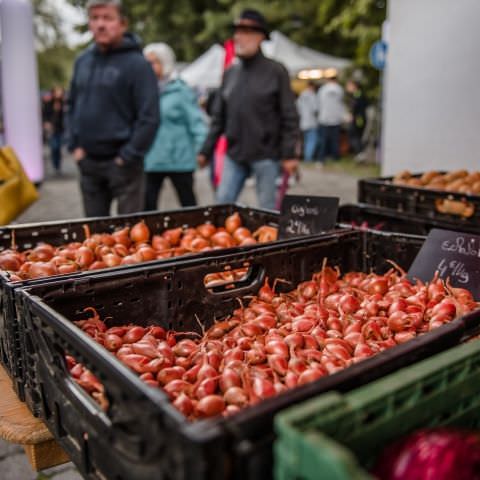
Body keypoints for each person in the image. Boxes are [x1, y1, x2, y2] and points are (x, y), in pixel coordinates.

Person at [197, 9, 299, 210]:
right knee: (222, 206)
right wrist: (205, 151)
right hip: (234, 154)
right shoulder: (230, 73)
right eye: (237, 31)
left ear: (260, 36)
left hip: (267, 155)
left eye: (245, 32)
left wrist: (289, 154)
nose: (238, 37)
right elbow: (219, 117)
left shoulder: (276, 71)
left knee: (269, 211)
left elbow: (289, 115)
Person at [67, 0, 159, 217]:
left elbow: (149, 117)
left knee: (128, 235)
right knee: (94, 236)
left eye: (107, 18)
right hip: (88, 163)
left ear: (122, 24)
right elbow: (71, 106)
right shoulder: (83, 61)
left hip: (124, 164)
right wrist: (74, 146)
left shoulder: (138, 65)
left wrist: (128, 156)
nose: (100, 24)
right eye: (95, 18)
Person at [143, 43, 207, 210]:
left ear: (165, 63)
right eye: (146, 62)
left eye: (154, 62)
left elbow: (196, 122)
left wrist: (202, 150)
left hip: (179, 159)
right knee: (147, 206)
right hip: (151, 159)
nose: (149, 66)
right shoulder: (143, 91)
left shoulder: (181, 90)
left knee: (188, 204)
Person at [317, 70, 346, 163]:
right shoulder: (339, 89)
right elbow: (341, 103)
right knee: (335, 140)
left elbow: (319, 103)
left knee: (323, 140)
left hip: (324, 118)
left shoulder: (323, 89)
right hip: (336, 119)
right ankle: (335, 157)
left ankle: (321, 158)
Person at [43, 86, 65, 175]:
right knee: (54, 147)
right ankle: (55, 164)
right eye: (57, 92)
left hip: (60, 128)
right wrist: (46, 123)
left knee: (58, 147)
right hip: (52, 128)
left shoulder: (63, 103)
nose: (59, 94)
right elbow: (45, 114)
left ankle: (58, 165)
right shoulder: (49, 103)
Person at [296, 81, 318, 162]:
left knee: (305, 141)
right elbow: (315, 109)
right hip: (311, 122)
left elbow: (297, 108)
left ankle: (305, 156)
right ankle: (308, 158)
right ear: (313, 87)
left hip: (303, 122)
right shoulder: (312, 95)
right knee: (312, 140)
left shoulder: (302, 95)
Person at [346, 80, 368, 155]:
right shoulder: (356, 94)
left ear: (354, 86)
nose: (347, 88)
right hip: (358, 119)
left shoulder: (357, 95)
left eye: (349, 85)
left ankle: (360, 153)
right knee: (355, 136)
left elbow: (355, 107)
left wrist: (352, 116)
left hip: (358, 120)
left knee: (355, 136)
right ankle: (359, 153)